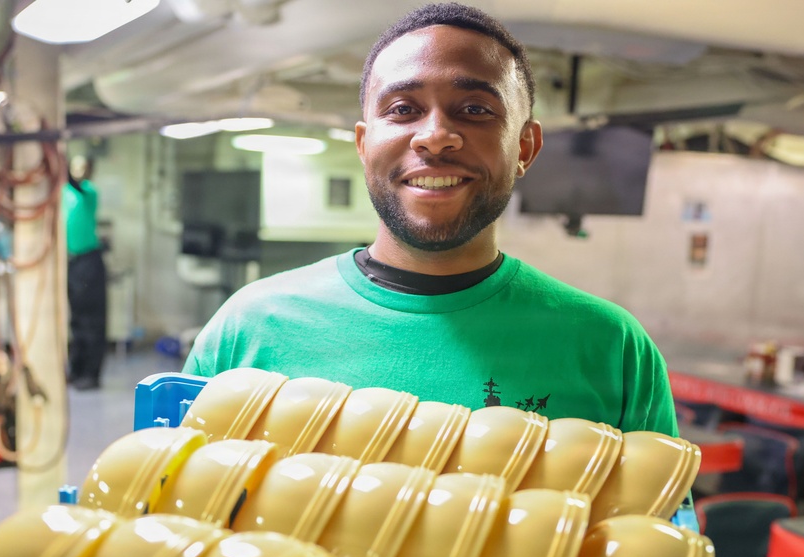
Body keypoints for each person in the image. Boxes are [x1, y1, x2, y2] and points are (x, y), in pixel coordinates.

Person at [183, 2, 677, 437]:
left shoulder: (611, 350)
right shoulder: (249, 331)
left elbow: (654, 537)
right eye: (402, 109)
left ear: (524, 146)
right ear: (363, 144)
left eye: (475, 109)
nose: (436, 137)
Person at [63, 154, 107, 391]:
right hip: (71, 262)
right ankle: (76, 370)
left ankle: (91, 374)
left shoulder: (88, 192)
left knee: (91, 322)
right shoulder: (63, 193)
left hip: (89, 261)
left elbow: (74, 183)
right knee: (76, 321)